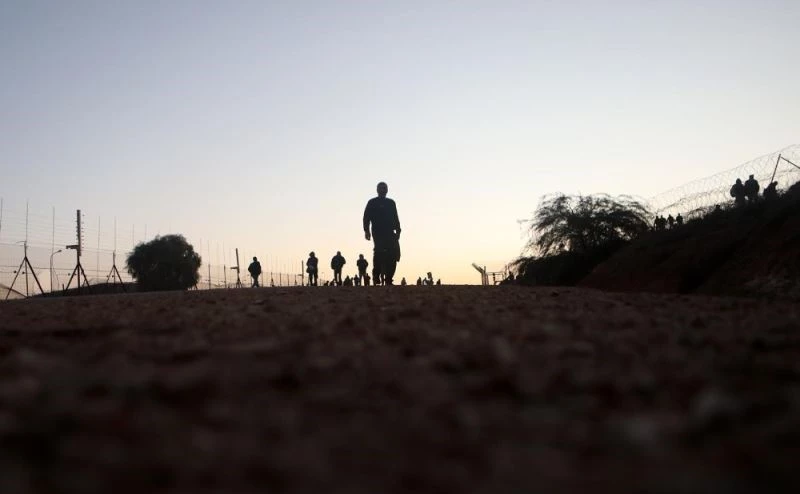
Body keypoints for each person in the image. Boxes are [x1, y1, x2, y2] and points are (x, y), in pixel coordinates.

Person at [363, 181, 401, 285]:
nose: (383, 190)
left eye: (385, 188)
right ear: (377, 190)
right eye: (381, 188)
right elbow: (366, 217)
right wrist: (366, 230)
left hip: (390, 232)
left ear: (387, 190)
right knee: (378, 252)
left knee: (394, 254)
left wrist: (398, 230)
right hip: (377, 231)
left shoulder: (391, 203)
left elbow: (395, 217)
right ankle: (376, 276)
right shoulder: (372, 202)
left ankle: (389, 278)